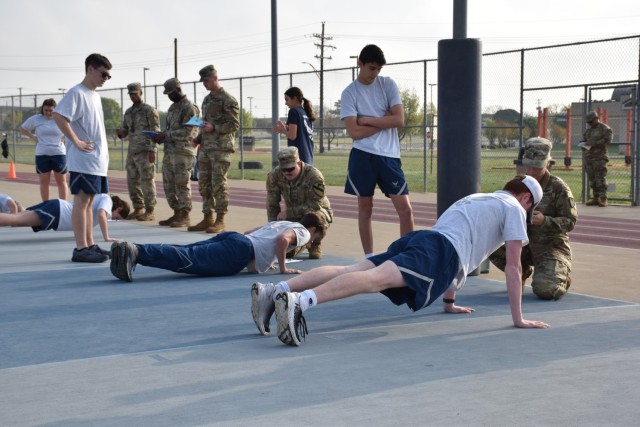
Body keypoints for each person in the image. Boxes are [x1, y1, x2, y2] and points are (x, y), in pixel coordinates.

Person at [251, 175, 550, 346]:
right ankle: (299, 301)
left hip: (422, 239)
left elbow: (462, 247)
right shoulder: (513, 208)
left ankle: (276, 290)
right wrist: (518, 319)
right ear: (526, 199)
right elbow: (513, 266)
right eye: (530, 208)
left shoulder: (479, 198)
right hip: (438, 251)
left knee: (352, 269)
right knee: (374, 280)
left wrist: (449, 301)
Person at [340, 44, 414, 259]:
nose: (375, 73)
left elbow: (399, 120)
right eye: (371, 68)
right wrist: (384, 121)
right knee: (365, 207)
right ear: (360, 64)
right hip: (362, 156)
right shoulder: (349, 93)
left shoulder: (387, 85)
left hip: (389, 156)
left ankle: (407, 255)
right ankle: (369, 257)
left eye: (378, 69)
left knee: (406, 209)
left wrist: (368, 120)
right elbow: (354, 132)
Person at [109, 212, 326, 283]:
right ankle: (135, 250)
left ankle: (135, 253)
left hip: (235, 239)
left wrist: (263, 260)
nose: (311, 243)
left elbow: (253, 233)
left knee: (185, 252)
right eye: (315, 239)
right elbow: (282, 241)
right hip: (239, 251)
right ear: (313, 229)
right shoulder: (303, 232)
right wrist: (283, 268)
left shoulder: (285, 221)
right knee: (188, 259)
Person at [490, 138, 577, 300]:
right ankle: (521, 270)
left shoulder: (558, 188)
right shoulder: (518, 184)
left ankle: (559, 275)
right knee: (488, 241)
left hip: (549, 248)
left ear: (548, 163)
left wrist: (545, 221)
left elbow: (570, 221)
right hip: (522, 245)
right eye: (528, 165)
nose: (532, 170)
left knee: (546, 291)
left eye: (537, 166)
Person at [53, 53, 113, 263]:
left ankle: (89, 244)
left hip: (96, 161)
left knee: (89, 202)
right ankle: (80, 248)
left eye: (108, 76)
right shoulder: (76, 92)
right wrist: (76, 141)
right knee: (81, 201)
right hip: (83, 160)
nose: (105, 78)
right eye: (103, 73)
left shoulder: (94, 95)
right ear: (90, 69)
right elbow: (59, 116)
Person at [188, 65, 240, 234]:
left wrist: (215, 128)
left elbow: (234, 124)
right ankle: (207, 217)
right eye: (203, 81)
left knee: (218, 184)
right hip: (206, 148)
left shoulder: (228, 100)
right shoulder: (207, 100)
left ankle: (220, 219)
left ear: (215, 78)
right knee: (204, 184)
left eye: (207, 80)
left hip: (220, 150)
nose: (204, 84)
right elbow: (205, 124)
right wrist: (197, 139)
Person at [266, 147, 332, 259]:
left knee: (317, 217)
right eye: (283, 170)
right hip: (293, 218)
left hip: (316, 213)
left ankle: (315, 243)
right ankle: (302, 243)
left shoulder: (314, 176)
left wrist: (289, 213)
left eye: (290, 169)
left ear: (299, 164)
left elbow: (315, 205)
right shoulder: (275, 175)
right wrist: (273, 228)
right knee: (286, 253)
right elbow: (272, 204)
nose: (286, 173)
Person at [153, 78, 200, 228]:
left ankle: (185, 215)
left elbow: (189, 131)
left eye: (170, 93)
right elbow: (172, 130)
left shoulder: (190, 108)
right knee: (169, 185)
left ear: (178, 90)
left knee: (181, 184)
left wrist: (166, 135)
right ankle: (177, 213)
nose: (169, 96)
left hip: (183, 152)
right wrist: (161, 136)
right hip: (170, 151)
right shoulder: (173, 108)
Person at [0, 194, 129, 246]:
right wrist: (107, 237)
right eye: (117, 217)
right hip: (58, 212)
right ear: (119, 208)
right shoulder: (106, 200)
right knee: (15, 220)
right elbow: (101, 215)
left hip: (57, 210)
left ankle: (18, 209)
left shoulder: (99, 200)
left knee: (16, 221)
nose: (113, 218)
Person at [116, 82, 161, 221]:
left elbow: (156, 131)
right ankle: (138, 208)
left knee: (147, 181)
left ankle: (150, 210)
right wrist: (121, 133)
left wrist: (152, 150)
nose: (132, 97)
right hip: (132, 151)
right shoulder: (128, 112)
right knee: (132, 181)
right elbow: (126, 129)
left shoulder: (149, 110)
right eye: (130, 94)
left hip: (145, 151)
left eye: (135, 94)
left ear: (141, 93)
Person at [20, 98, 68, 201]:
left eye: (51, 110)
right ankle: (46, 205)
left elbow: (70, 130)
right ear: (42, 109)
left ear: (55, 110)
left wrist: (65, 137)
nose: (48, 113)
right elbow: (23, 129)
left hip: (58, 153)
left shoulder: (61, 118)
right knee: (44, 182)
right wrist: (33, 137)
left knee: (61, 181)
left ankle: (64, 205)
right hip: (42, 154)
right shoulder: (36, 119)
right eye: (46, 110)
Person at [273, 87, 316, 165]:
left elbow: (292, 136)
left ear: (294, 98)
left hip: (298, 158)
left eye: (287, 99)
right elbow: (300, 133)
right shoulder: (305, 112)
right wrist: (285, 128)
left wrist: (282, 130)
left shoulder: (293, 111)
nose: (285, 103)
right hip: (308, 156)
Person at [582, 110, 613, 207]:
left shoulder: (605, 129)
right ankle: (596, 198)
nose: (590, 123)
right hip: (589, 158)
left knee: (600, 179)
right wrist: (583, 144)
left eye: (591, 121)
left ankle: (603, 199)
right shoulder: (588, 131)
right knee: (592, 180)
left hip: (599, 158)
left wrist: (594, 143)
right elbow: (585, 140)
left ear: (596, 118)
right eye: (589, 122)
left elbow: (608, 140)